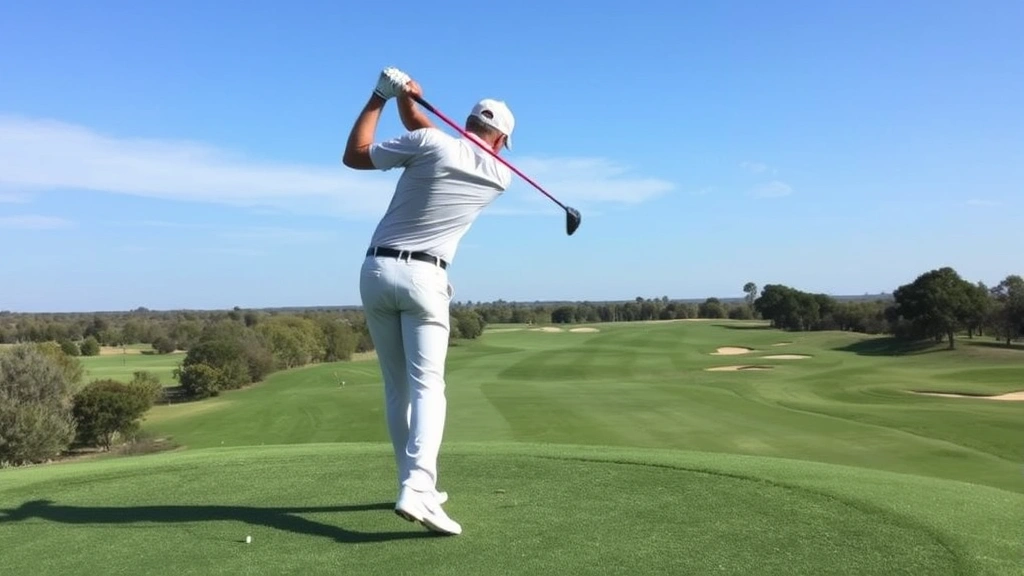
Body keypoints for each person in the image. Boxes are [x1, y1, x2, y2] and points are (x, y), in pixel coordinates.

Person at [341, 67, 514, 536]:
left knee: (398, 389)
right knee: (428, 388)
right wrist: (408, 104)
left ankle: (412, 484)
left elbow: (355, 156)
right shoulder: (501, 177)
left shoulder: (431, 144)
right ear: (500, 142)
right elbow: (438, 141)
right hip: (426, 279)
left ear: (468, 123)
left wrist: (383, 96)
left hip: (375, 272)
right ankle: (418, 488)